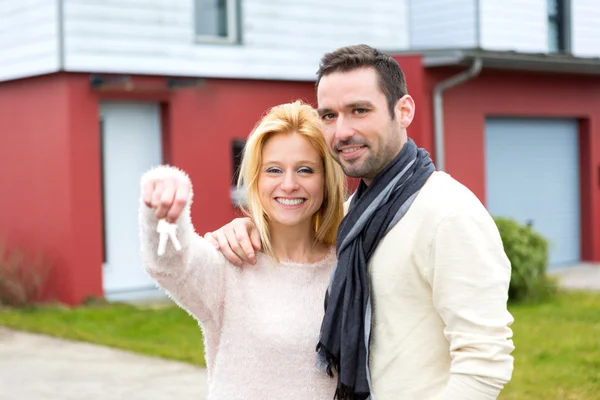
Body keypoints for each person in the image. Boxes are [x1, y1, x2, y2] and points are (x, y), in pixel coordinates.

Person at [204, 45, 515, 400]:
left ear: (404, 110)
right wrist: (250, 228)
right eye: (330, 115)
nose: (342, 131)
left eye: (359, 111)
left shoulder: (447, 212)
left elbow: (485, 361)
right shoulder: (356, 214)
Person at [138, 100, 347, 400]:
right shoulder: (231, 262)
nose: (289, 184)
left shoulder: (347, 265)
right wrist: (163, 207)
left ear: (326, 179)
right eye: (273, 170)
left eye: (305, 170)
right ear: (256, 180)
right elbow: (171, 263)